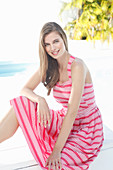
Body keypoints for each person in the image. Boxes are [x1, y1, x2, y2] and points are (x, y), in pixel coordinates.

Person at [0, 22, 104, 170]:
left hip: (86, 128)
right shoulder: (49, 66)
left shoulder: (77, 66)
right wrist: (40, 99)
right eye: (47, 44)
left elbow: (72, 112)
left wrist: (56, 151)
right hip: (64, 120)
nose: (52, 48)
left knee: (56, 163)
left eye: (56, 41)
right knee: (21, 103)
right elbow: (25, 89)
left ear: (63, 39)